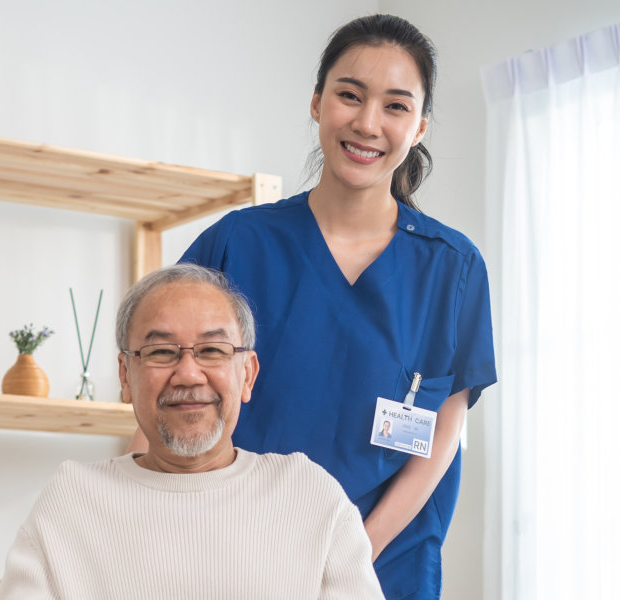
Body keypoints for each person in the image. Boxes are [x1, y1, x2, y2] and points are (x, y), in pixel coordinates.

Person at [130, 14, 498, 599]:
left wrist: (347, 558)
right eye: (349, 95)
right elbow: (164, 386)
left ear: (420, 125)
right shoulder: (237, 244)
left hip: (385, 568)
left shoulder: (453, 267)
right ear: (317, 102)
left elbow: (441, 438)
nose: (368, 123)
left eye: (396, 106)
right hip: (238, 556)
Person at [0, 264, 382, 599]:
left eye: (212, 350)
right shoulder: (71, 502)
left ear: (247, 375)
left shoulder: (309, 496)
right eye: (161, 352)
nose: (189, 373)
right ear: (124, 376)